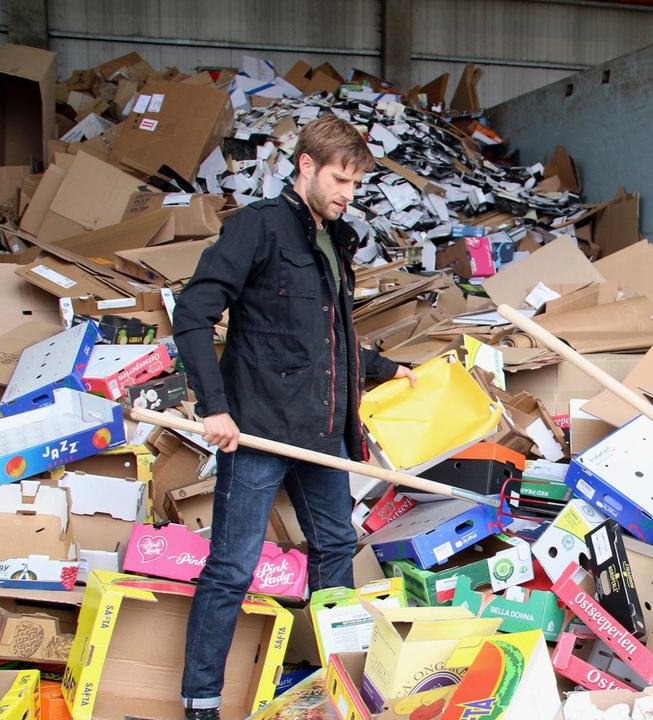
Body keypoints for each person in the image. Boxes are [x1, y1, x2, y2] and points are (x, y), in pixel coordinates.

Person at [172, 115, 415, 720]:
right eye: (340, 179)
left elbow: (322, 339)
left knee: (336, 545)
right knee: (232, 566)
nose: (348, 194)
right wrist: (215, 407)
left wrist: (385, 369)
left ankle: (336, 683)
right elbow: (192, 314)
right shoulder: (258, 228)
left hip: (321, 434)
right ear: (306, 166)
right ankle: (201, 700)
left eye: (356, 185)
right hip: (256, 431)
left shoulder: (335, 240)